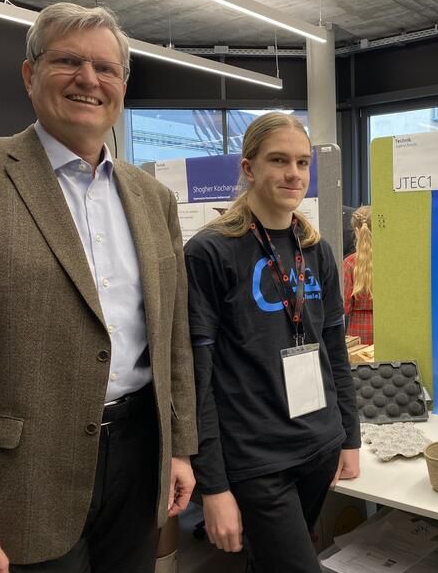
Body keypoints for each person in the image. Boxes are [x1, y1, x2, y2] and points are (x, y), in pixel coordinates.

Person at [0, 3, 197, 573]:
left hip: (141, 455)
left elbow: (174, 338)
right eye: (67, 61)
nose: (88, 80)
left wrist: (180, 446)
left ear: (122, 85)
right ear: (29, 74)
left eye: (105, 67)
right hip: (22, 479)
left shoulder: (153, 198)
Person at [184, 112, 360, 572]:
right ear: (248, 168)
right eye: (279, 160)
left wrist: (349, 436)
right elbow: (197, 379)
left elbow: (333, 350)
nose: (293, 174)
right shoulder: (210, 252)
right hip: (257, 459)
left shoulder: (316, 249)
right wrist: (214, 486)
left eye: (302, 163)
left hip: (319, 445)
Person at [343, 206, 374, 345]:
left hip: (357, 331)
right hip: (386, 327)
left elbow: (344, 306)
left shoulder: (349, 263)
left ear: (356, 231)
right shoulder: (390, 261)